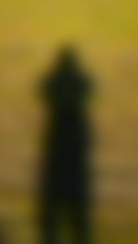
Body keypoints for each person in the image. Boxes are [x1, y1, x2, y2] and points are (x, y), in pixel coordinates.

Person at [38, 46, 93, 244]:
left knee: (53, 219)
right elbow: (88, 87)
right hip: (74, 164)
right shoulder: (81, 93)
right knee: (78, 219)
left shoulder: (53, 91)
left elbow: (45, 89)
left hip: (57, 161)